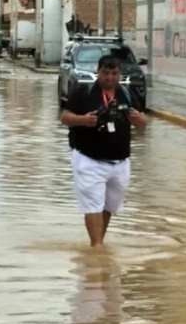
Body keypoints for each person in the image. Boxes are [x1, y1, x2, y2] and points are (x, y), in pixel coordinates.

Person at [60, 55, 147, 247]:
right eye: (106, 73)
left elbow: (142, 121)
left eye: (114, 73)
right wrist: (83, 120)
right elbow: (64, 117)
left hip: (120, 162)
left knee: (109, 206)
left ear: (119, 74)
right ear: (98, 72)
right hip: (89, 160)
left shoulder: (126, 93)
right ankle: (97, 249)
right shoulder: (84, 92)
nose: (110, 77)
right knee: (93, 205)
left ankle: (98, 241)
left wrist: (139, 120)